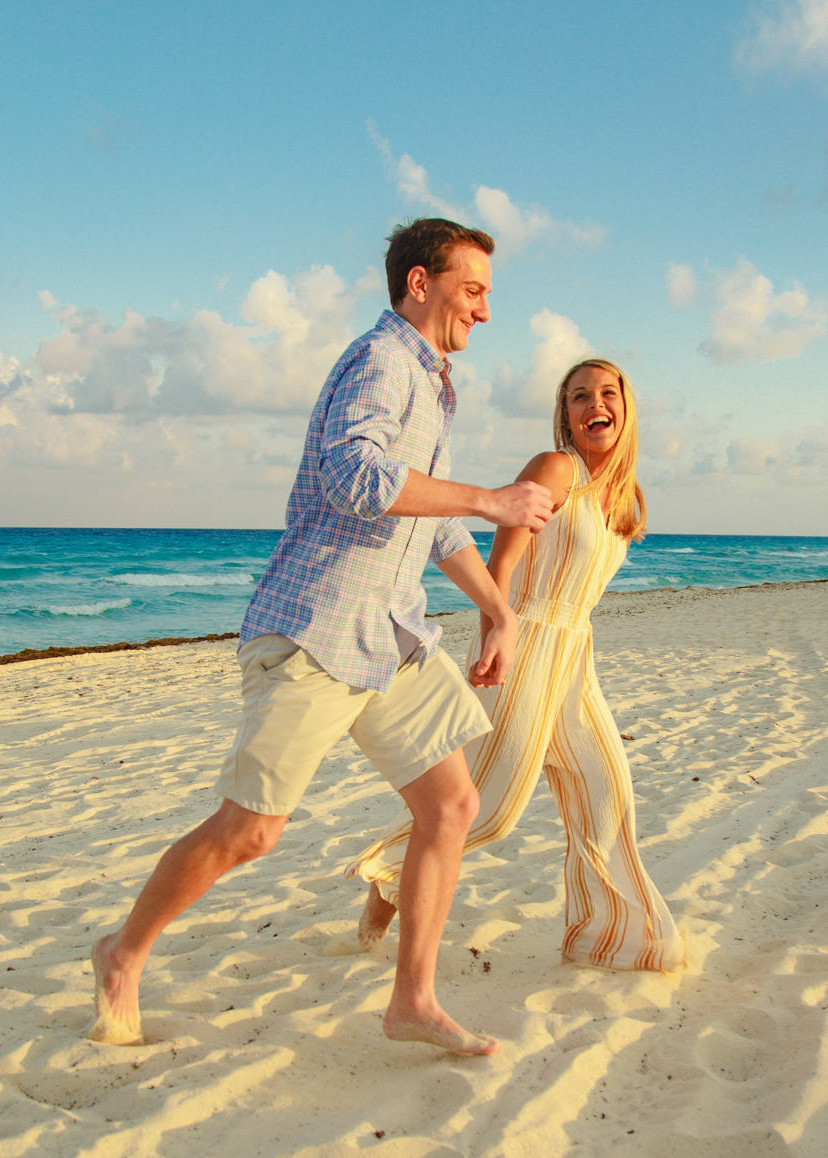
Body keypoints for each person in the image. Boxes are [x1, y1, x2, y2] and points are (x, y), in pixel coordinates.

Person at [88, 218, 555, 1056]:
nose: (486, 311)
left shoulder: (435, 383)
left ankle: (412, 999)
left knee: (451, 804)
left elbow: (429, 526)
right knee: (251, 831)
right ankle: (121, 956)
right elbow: (356, 478)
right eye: (474, 289)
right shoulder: (380, 362)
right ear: (422, 283)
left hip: (388, 633)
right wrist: (490, 498)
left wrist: (499, 607)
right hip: (315, 632)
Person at [349, 359, 686, 974]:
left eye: (606, 393)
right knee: (491, 811)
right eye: (579, 396)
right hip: (523, 650)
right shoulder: (556, 470)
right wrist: (491, 639)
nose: (593, 405)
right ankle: (386, 883)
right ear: (567, 414)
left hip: (575, 662)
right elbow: (500, 563)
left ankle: (610, 939)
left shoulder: (626, 494)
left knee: (605, 792)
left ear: (626, 407)